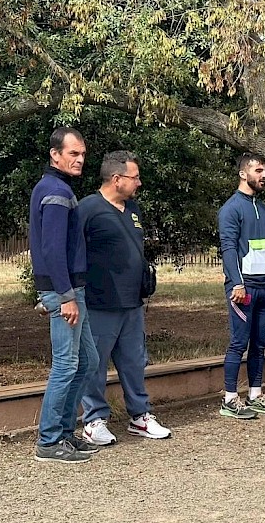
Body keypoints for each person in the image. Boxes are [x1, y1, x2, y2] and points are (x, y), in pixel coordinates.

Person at [78, 151, 171, 446]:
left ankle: (140, 416)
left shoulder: (133, 210)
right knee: (95, 363)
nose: (139, 183)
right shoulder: (87, 209)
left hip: (132, 302)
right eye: (135, 177)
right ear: (116, 179)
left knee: (134, 361)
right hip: (99, 302)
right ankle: (94, 420)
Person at [29, 127, 100, 463]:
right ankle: (49, 439)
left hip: (72, 290)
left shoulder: (59, 188)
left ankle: (64, 433)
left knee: (88, 361)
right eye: (73, 153)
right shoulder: (55, 191)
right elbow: (52, 249)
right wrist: (66, 295)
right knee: (66, 364)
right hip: (66, 292)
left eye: (83, 153)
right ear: (54, 155)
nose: (80, 159)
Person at [218, 152, 265, 419]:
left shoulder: (264, 209)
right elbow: (228, 249)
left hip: (264, 288)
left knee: (259, 343)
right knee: (238, 342)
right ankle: (230, 398)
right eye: (259, 170)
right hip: (242, 289)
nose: (264, 176)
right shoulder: (231, 209)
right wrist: (236, 283)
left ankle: (255, 394)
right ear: (243, 173)